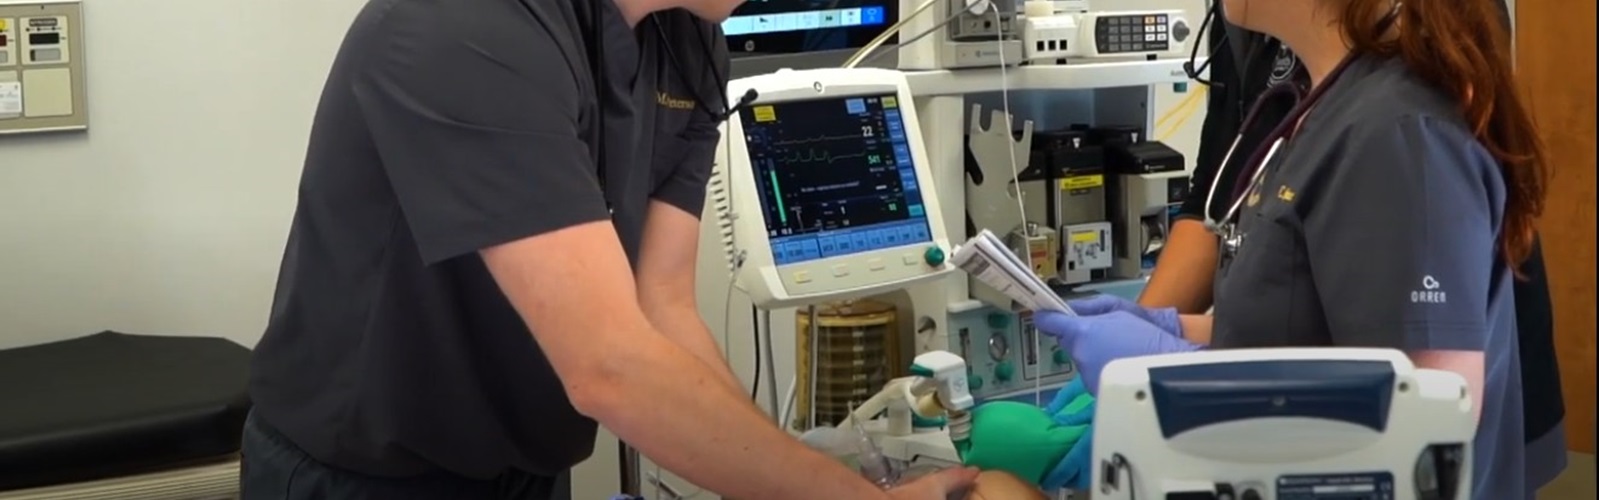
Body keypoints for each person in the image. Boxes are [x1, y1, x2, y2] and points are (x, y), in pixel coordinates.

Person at [240, 0, 979, 498]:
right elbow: (609, 365)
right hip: (362, 472)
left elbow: (659, 309)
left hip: (523, 464)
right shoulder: (460, 28)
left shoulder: (686, 47)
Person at [1036, 0, 1548, 498]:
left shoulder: (1400, 135)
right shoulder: (1321, 104)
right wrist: (1174, 329)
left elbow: (1426, 416)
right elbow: (1309, 325)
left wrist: (1173, 371)